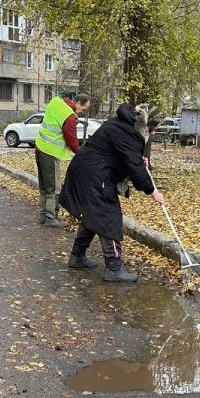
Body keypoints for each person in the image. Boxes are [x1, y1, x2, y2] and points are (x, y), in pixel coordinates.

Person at [58, 103, 166, 283]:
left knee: (93, 216)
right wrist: (153, 191)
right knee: (108, 218)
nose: (153, 133)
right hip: (94, 176)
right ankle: (114, 268)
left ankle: (77, 256)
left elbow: (123, 156)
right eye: (153, 129)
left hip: (87, 171)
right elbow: (134, 166)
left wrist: (137, 159)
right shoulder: (129, 133)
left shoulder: (124, 124)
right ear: (146, 124)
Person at [34, 93, 91, 227]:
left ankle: (42, 215)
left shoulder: (56, 102)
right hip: (50, 152)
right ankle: (51, 217)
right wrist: (81, 154)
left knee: (44, 186)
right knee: (54, 188)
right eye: (83, 109)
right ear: (78, 103)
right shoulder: (69, 117)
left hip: (40, 148)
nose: (82, 112)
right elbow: (72, 141)